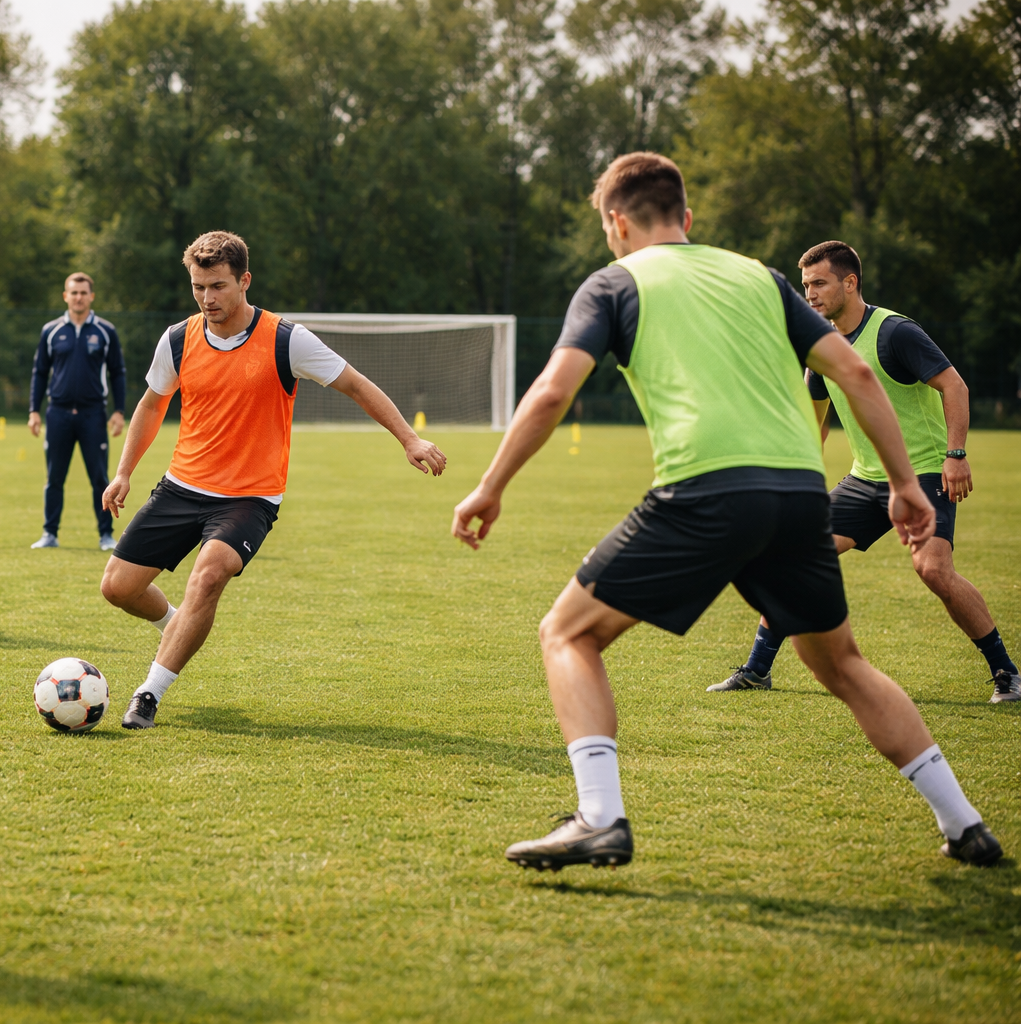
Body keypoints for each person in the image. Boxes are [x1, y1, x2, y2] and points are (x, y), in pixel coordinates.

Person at [451, 153, 1002, 871]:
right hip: (801, 494)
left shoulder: (615, 282)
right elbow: (856, 373)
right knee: (844, 666)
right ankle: (965, 824)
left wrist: (490, 485)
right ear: (687, 217)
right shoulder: (762, 277)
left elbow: (554, 391)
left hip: (705, 490)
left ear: (617, 222)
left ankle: (599, 817)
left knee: (566, 634)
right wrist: (904, 483)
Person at [99, 231, 448, 730]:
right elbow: (153, 404)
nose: (207, 298)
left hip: (249, 496)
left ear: (244, 280)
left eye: (217, 286)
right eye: (198, 287)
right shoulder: (178, 338)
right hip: (182, 485)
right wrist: (124, 472)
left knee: (211, 572)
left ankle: (149, 694)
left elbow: (355, 385)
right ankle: (177, 626)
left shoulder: (287, 339)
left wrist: (409, 439)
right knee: (118, 587)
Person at [712, 240, 1017, 702]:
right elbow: (812, 429)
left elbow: (954, 385)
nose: (809, 294)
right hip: (864, 479)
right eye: (805, 285)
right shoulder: (822, 348)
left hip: (924, 473)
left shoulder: (895, 332)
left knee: (933, 570)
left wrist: (956, 456)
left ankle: (1008, 675)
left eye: (819, 283)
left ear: (849, 283)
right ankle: (756, 670)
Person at [28, 272, 127, 551]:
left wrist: (119, 411)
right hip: (57, 414)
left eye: (84, 293)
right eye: (74, 292)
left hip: (93, 414)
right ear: (65, 296)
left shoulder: (106, 331)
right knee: (54, 477)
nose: (79, 297)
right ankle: (50, 534)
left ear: (91, 296)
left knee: (99, 477)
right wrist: (34, 410)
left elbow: (119, 373)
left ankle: (106, 535)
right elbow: (39, 372)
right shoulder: (51, 331)